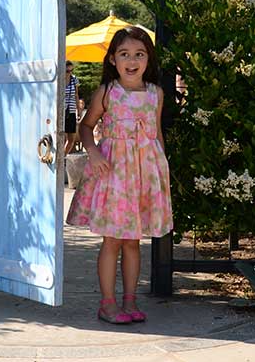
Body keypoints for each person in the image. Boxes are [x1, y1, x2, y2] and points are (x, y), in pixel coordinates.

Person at [66, 26, 173, 324]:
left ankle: (130, 302)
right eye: (124, 54)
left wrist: (161, 171)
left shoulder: (156, 94)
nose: (132, 60)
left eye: (139, 54)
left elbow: (156, 134)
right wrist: (94, 152)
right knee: (112, 240)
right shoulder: (108, 91)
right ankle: (107, 304)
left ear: (148, 59)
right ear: (113, 59)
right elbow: (86, 127)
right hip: (113, 175)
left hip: (144, 177)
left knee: (133, 242)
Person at [63, 61, 80, 156]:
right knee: (60, 137)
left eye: (71, 70)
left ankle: (62, 157)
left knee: (71, 139)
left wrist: (79, 110)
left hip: (72, 110)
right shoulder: (59, 79)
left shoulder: (74, 79)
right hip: (61, 111)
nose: (69, 72)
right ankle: (58, 159)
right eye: (67, 70)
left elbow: (76, 95)